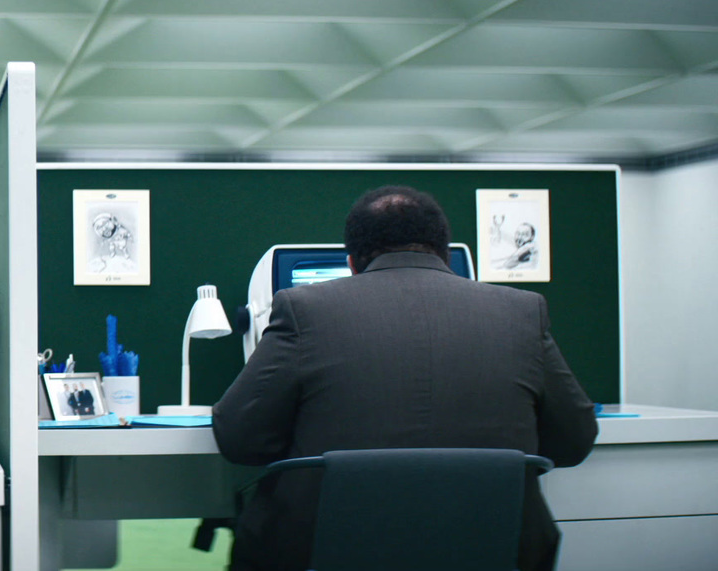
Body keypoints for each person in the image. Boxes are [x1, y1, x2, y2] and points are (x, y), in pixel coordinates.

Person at [213, 185, 597, 571]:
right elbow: (574, 442)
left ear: (352, 263)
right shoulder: (523, 311)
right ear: (446, 255)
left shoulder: (303, 308)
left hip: (323, 552)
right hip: (495, 550)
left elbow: (239, 440)